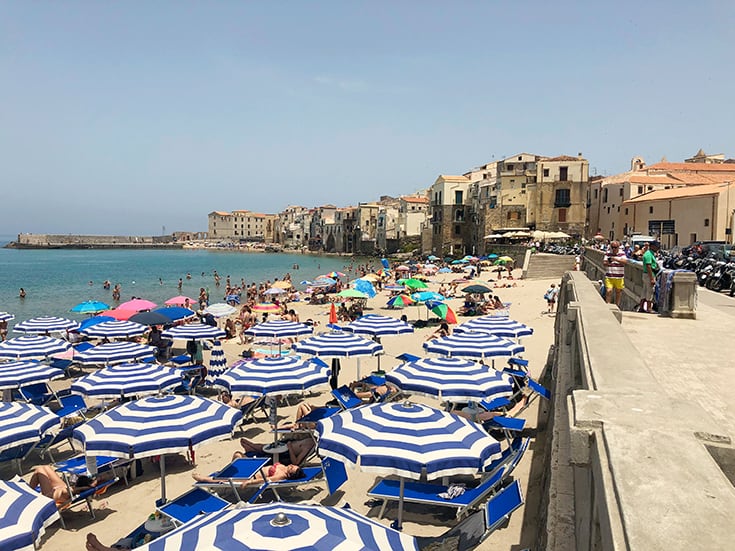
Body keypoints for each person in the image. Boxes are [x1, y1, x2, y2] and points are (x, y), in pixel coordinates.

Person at [192, 461, 305, 488]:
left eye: (292, 468)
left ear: (290, 474)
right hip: (253, 470)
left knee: (224, 480)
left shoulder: (281, 476)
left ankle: (205, 479)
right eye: (293, 465)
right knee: (238, 457)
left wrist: (250, 482)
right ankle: (222, 473)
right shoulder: (284, 467)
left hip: (251, 477)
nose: (291, 465)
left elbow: (267, 480)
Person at [28, 465, 97, 504]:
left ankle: (28, 493)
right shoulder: (74, 489)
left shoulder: (72, 491)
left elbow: (74, 489)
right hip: (60, 488)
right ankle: (28, 491)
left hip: (49, 495)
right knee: (47, 467)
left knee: (39, 470)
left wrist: (83, 488)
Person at [233, 437, 314, 466]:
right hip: (281, 449)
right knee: (268, 447)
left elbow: (295, 462)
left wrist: (290, 448)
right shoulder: (310, 437)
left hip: (282, 455)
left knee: (238, 455)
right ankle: (253, 448)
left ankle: (252, 449)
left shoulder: (309, 445)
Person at [603, 241, 628, 307]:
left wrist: (615, 259)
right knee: (609, 291)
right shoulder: (608, 253)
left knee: (618, 292)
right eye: (612, 247)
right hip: (609, 276)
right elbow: (604, 263)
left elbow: (625, 262)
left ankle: (617, 305)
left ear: (618, 247)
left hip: (619, 277)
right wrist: (609, 262)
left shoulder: (622, 253)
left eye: (615, 247)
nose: (614, 249)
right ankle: (608, 305)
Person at [641, 240, 660, 313]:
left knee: (644, 292)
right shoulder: (649, 254)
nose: (658, 248)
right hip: (649, 275)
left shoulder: (649, 253)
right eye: (656, 246)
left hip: (646, 275)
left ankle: (641, 307)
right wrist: (652, 278)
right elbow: (648, 266)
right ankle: (649, 308)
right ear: (652, 246)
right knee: (650, 292)